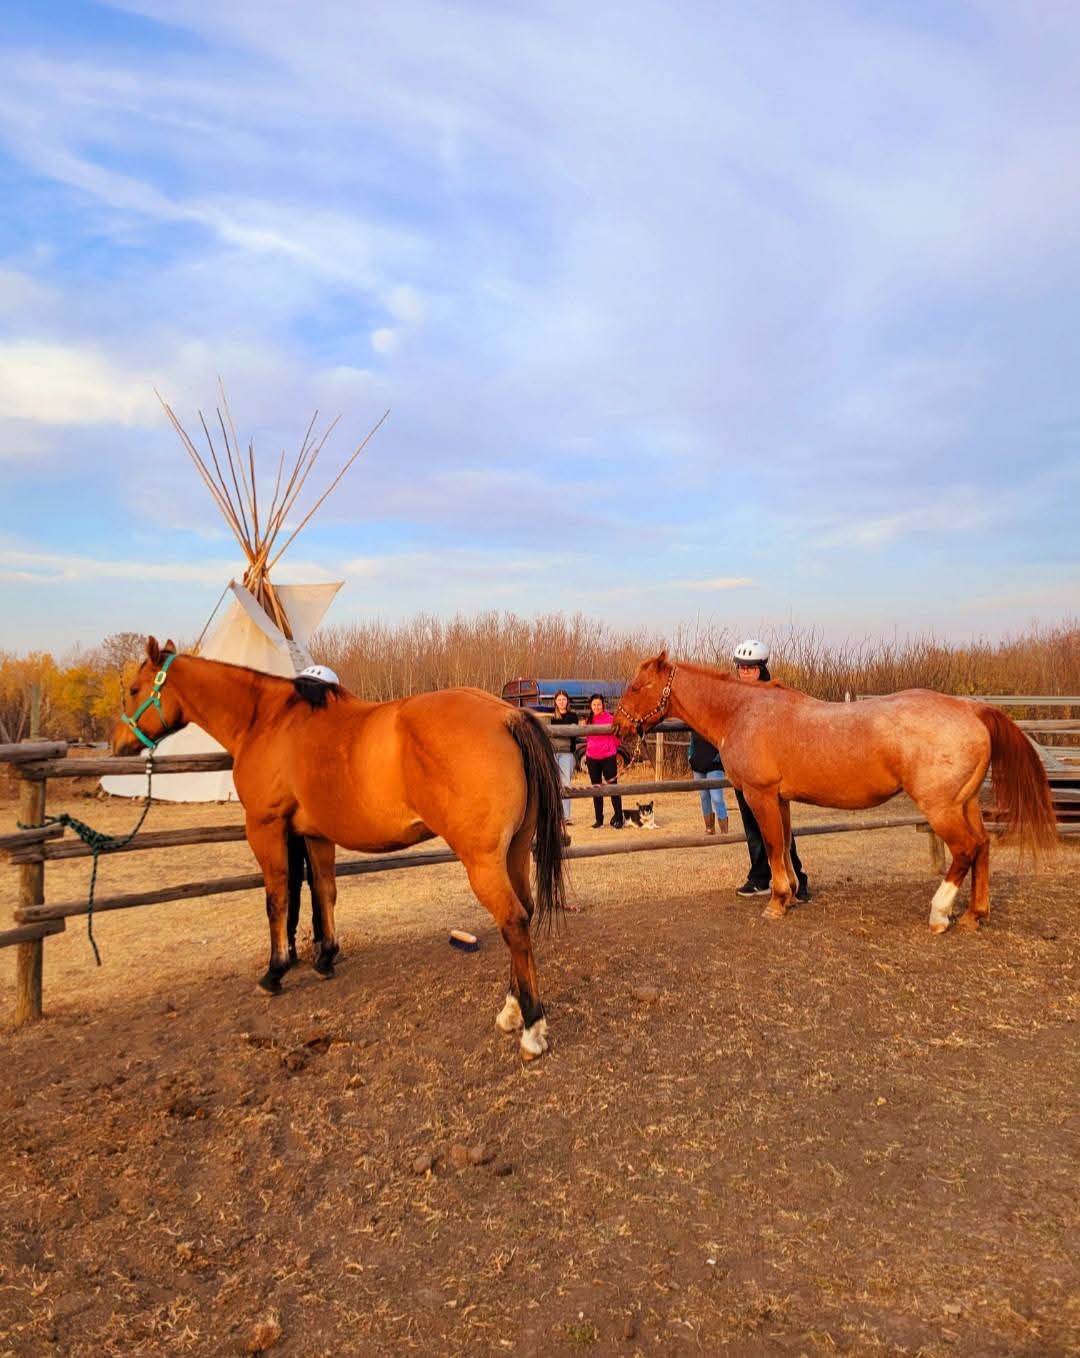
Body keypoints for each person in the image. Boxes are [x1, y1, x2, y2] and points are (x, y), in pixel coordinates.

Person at [730, 639, 811, 902]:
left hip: (769, 770)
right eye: (741, 667)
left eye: (750, 668)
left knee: (778, 827)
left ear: (762, 668)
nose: (745, 672)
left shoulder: (773, 695)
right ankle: (760, 877)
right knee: (752, 827)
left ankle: (796, 876)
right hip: (744, 769)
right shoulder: (733, 697)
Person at [585, 693, 624, 829]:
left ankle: (619, 817)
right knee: (596, 788)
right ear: (591, 706)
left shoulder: (610, 719)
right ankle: (599, 819)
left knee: (613, 786)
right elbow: (587, 738)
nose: (596, 707)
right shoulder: (588, 720)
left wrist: (611, 747)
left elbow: (617, 737)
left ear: (603, 705)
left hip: (608, 756)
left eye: (599, 704)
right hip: (592, 758)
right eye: (594, 705)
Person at [688, 728, 728, 834]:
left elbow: (724, 740)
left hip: (714, 764)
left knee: (717, 798)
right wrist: (690, 756)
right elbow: (692, 741)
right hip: (697, 763)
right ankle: (709, 828)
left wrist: (718, 757)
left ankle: (724, 831)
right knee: (704, 797)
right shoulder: (695, 723)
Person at [549, 689, 578, 825]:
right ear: (555, 701)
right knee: (553, 783)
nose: (561, 702)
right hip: (552, 752)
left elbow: (573, 734)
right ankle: (555, 815)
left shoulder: (572, 716)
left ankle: (566, 816)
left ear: (567, 701)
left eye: (564, 699)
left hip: (566, 753)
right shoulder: (550, 717)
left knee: (565, 784)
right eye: (559, 699)